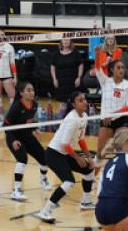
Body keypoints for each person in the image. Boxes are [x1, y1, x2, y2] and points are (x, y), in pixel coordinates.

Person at [37, 91, 96, 222]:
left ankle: (86, 202)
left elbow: (81, 140)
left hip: (63, 153)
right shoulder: (72, 119)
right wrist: (77, 158)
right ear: (74, 104)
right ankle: (45, 211)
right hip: (53, 154)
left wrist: (88, 158)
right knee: (69, 182)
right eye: (80, 100)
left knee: (89, 170)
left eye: (84, 99)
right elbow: (64, 144)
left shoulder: (84, 116)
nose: (85, 102)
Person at [4, 81, 50, 201]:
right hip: (13, 137)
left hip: (27, 136)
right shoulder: (16, 107)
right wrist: (13, 141)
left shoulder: (34, 105)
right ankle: (16, 190)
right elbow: (6, 125)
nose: (31, 92)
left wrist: (35, 129)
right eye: (28, 90)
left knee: (45, 158)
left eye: (32, 90)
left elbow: (27, 121)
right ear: (21, 93)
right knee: (22, 159)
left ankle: (43, 179)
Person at [93, 45, 128, 171]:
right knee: (101, 153)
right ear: (112, 70)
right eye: (118, 67)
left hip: (121, 120)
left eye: (123, 68)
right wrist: (97, 55)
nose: (121, 70)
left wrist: (113, 115)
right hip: (106, 121)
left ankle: (122, 180)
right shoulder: (105, 81)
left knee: (123, 153)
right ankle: (91, 181)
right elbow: (98, 69)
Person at [50, 38, 84, 107]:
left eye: (67, 40)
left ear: (70, 42)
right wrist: (54, 79)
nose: (65, 41)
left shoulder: (75, 52)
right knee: (62, 104)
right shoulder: (56, 53)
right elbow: (52, 66)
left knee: (74, 101)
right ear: (61, 42)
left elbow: (81, 65)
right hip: (61, 83)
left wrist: (79, 77)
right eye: (64, 40)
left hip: (73, 82)